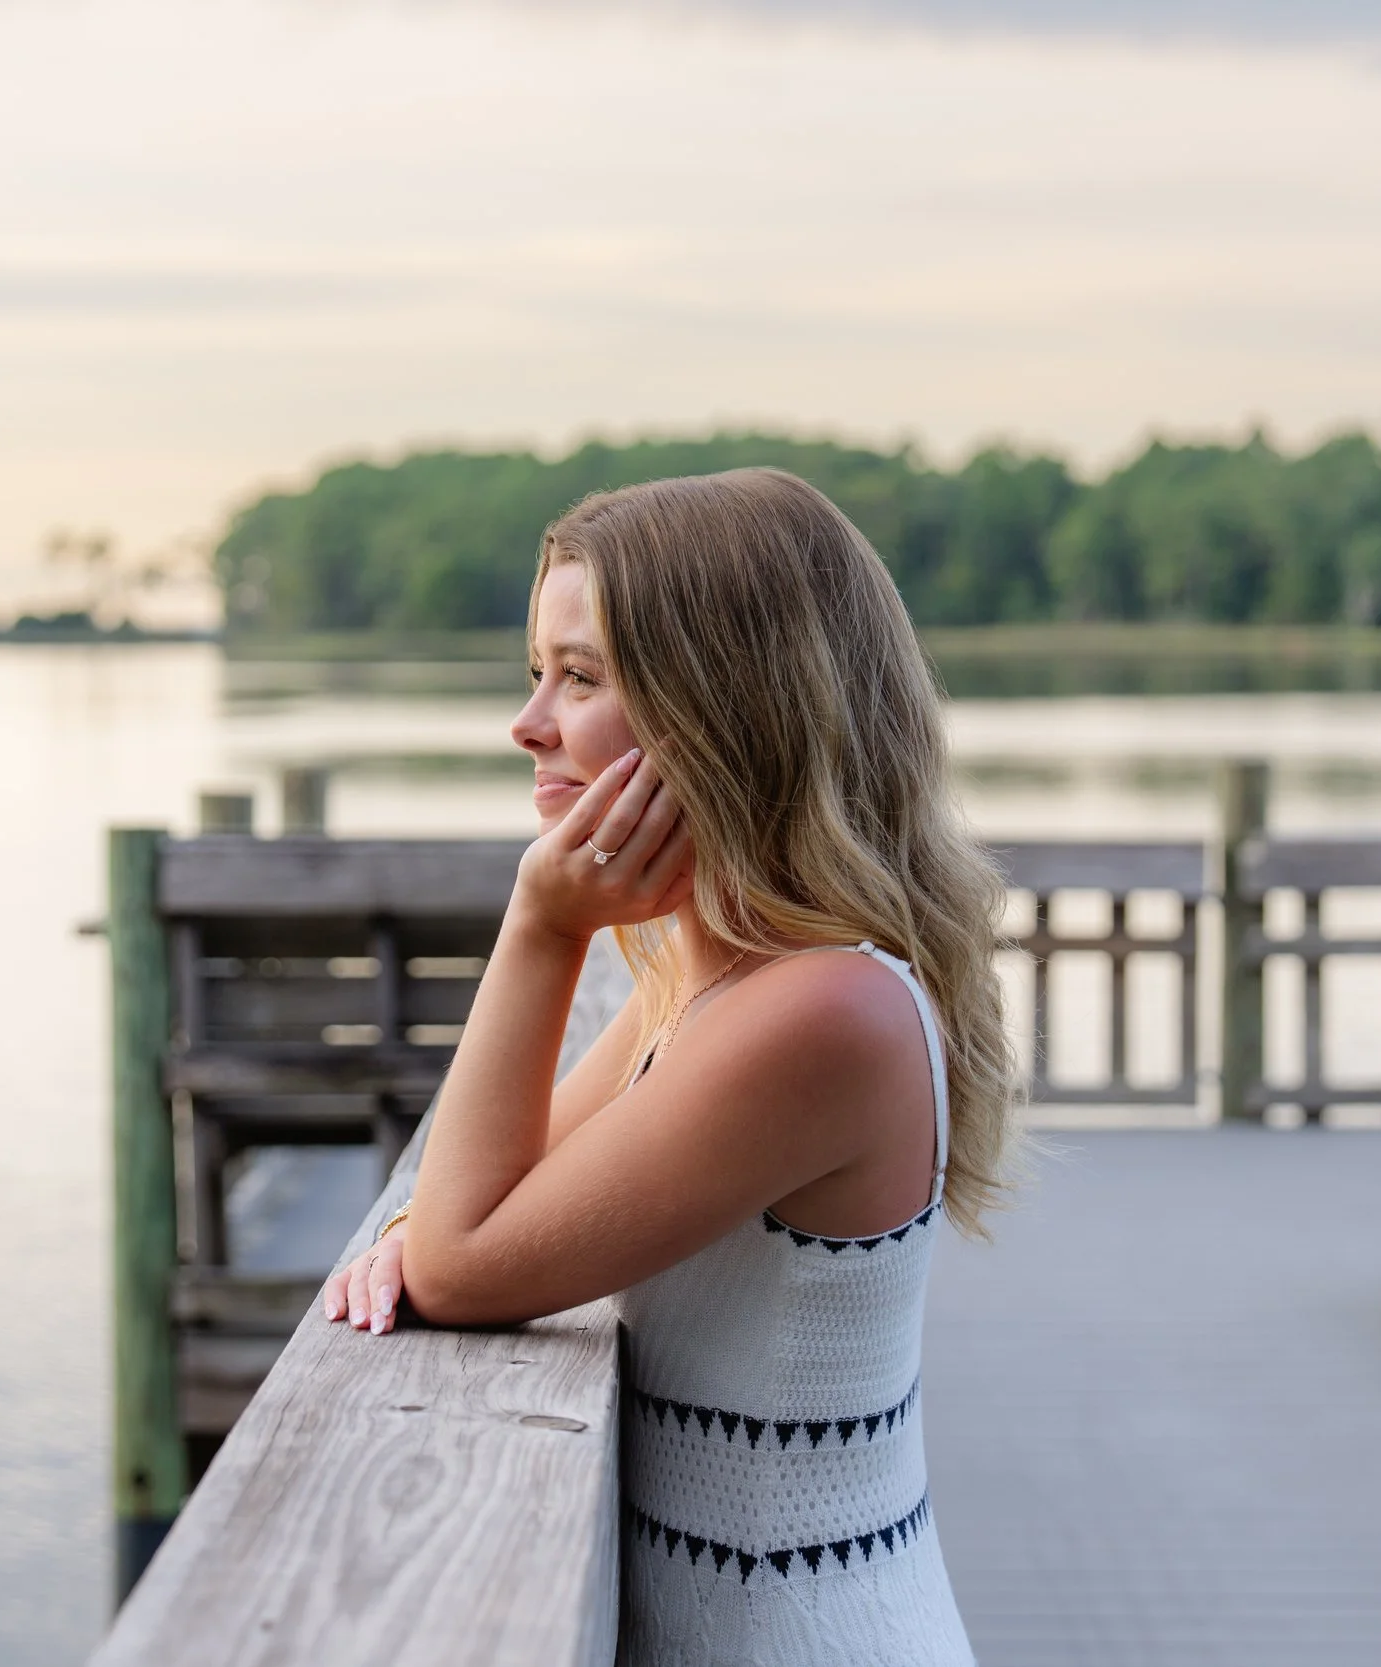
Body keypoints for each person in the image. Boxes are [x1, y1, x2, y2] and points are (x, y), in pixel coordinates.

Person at [319, 467, 1014, 1666]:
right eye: (534, 672)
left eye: (579, 676)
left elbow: (460, 1257)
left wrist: (543, 925)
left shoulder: (825, 1010)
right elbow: (474, 1199)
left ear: (724, 706)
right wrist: (428, 1231)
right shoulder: (704, 978)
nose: (528, 722)